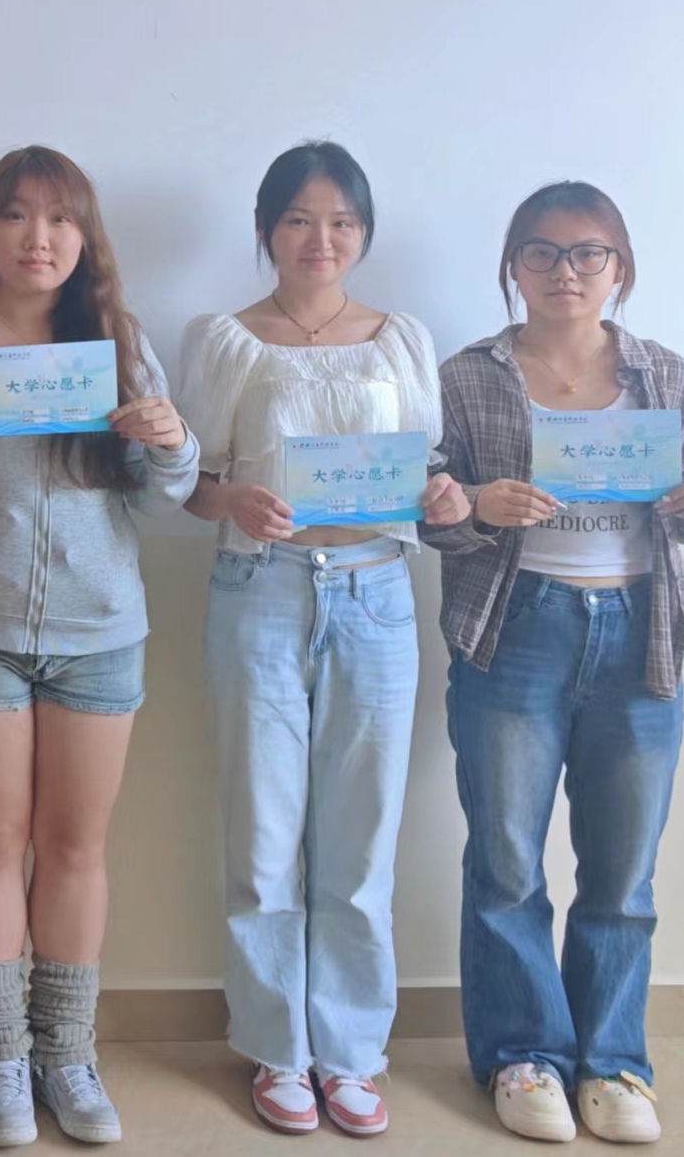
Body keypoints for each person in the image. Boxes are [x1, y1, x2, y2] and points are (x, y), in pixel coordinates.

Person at [0, 146, 197, 1147]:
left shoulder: (116, 338)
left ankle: (67, 1050)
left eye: (60, 219)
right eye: (16, 215)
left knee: (76, 844)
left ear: (84, 236)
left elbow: (168, 493)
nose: (38, 238)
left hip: (101, 626)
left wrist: (170, 439)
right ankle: (0, 1055)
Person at [175, 141, 468, 1137]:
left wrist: (441, 495)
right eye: (299, 218)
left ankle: (349, 1053)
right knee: (263, 834)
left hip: (378, 592)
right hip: (259, 590)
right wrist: (232, 502)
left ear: (365, 231)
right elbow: (189, 482)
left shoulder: (401, 338)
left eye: (341, 220)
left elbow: (426, 472)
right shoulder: (225, 339)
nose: (321, 238)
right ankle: (275, 1047)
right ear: (267, 229)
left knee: (361, 838)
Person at [424, 181, 678, 1146]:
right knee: (506, 860)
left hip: (643, 635)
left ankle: (613, 1061)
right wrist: (473, 505)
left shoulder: (667, 375)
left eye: (587, 253)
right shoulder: (466, 375)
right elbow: (425, 505)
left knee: (623, 871)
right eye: (540, 252)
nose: (564, 271)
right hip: (515, 626)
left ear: (620, 267)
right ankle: (523, 1052)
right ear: (512, 266)